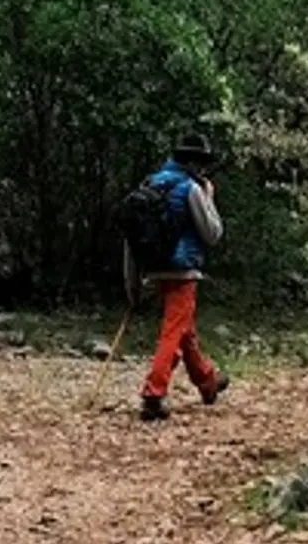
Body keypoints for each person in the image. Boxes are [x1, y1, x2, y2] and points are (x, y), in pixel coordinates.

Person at [125, 133, 229, 422]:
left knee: (184, 330)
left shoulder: (149, 185)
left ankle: (207, 382)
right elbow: (213, 233)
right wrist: (208, 198)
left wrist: (131, 285)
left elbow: (131, 240)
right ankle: (153, 393)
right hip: (183, 271)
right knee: (173, 331)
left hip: (154, 269)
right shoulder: (191, 188)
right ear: (194, 163)